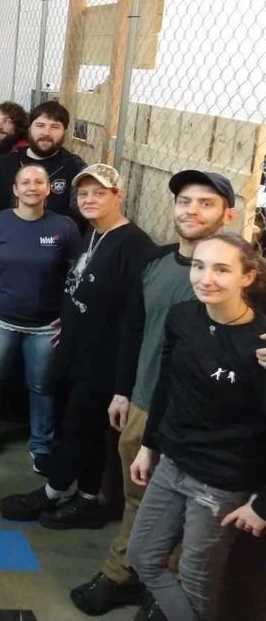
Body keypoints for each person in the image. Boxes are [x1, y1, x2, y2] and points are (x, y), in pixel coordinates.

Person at [69, 170, 237, 616]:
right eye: (185, 201)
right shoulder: (155, 263)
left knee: (193, 510)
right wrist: (123, 391)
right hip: (145, 400)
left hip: (198, 415)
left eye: (206, 203)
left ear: (227, 213)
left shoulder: (235, 280)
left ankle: (167, 591)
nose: (192, 210)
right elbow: (135, 328)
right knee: (139, 496)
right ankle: (127, 573)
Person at [0, 164, 153, 527]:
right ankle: (86, 497)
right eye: (83, 194)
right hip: (77, 349)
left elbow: (133, 321)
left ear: (119, 196)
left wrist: (122, 388)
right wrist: (67, 318)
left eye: (99, 193)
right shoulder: (93, 233)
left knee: (77, 427)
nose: (89, 199)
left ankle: (53, 492)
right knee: (82, 428)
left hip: (104, 360)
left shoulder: (134, 246)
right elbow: (86, 288)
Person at [127, 233, 266, 621]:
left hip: (220, 481)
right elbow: (166, 386)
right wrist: (148, 445)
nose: (206, 278)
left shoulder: (260, 346)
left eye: (222, 269)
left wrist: (263, 503)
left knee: (197, 580)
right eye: (200, 266)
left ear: (247, 277)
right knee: (142, 557)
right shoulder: (183, 317)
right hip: (172, 463)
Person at [0, 164, 81, 470]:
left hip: (46, 326)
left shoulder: (65, 227)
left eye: (39, 182)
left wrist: (67, 318)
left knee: (42, 386)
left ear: (48, 189)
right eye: (26, 182)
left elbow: (76, 278)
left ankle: (41, 445)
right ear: (15, 190)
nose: (32, 187)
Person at [0, 101, 87, 227]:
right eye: (40, 125)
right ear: (30, 128)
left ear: (64, 131)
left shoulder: (75, 167)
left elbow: (79, 212)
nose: (46, 132)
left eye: (55, 127)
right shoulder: (2, 165)